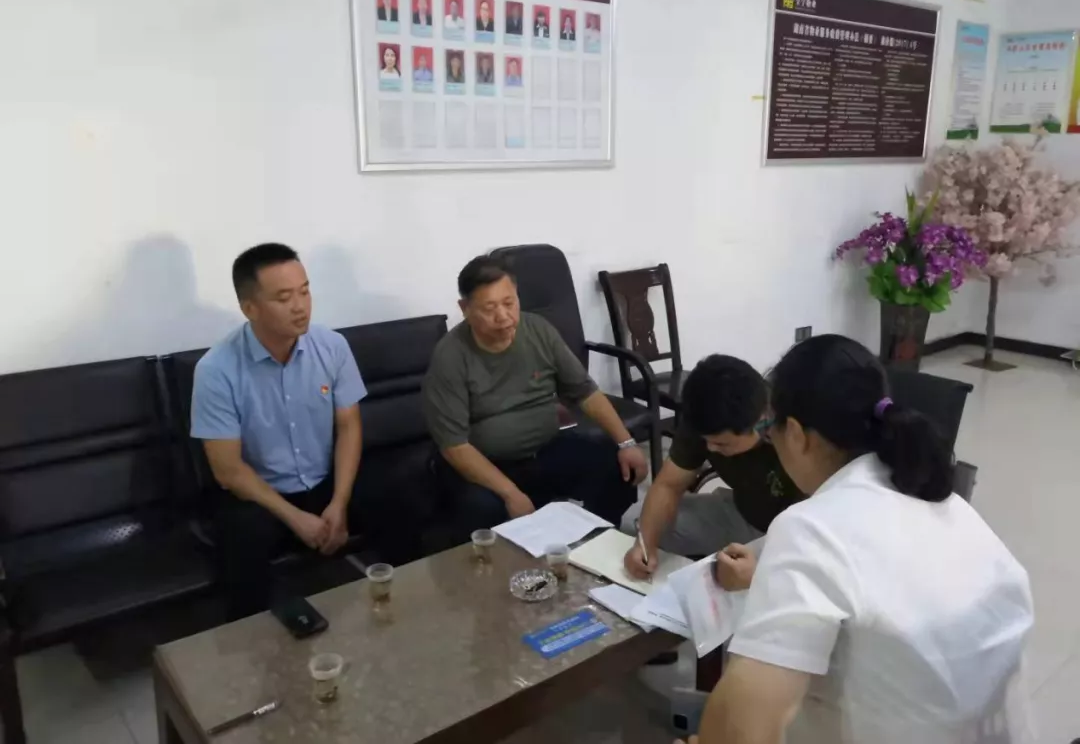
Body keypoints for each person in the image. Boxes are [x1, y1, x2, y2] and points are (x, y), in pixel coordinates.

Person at [690, 335, 1034, 744]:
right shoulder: (944, 501)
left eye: (771, 429)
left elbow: (745, 724)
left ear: (796, 433)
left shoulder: (810, 528)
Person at [191, 244, 374, 620]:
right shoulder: (216, 370)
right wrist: (295, 517)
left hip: (323, 480)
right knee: (242, 536)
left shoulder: (332, 346)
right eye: (283, 297)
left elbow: (349, 425)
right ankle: (252, 641)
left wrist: (339, 502)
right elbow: (228, 471)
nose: (300, 306)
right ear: (250, 308)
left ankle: (403, 607)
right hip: (261, 494)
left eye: (305, 292)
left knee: (397, 496)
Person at [423, 255, 648, 540]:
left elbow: (584, 391)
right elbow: (454, 445)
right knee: (484, 509)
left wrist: (626, 442)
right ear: (465, 309)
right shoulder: (450, 356)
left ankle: (596, 543)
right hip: (485, 466)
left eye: (509, 303)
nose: (503, 316)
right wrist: (510, 493)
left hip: (544, 450)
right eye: (489, 308)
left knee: (612, 464)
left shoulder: (538, 331)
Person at [624, 355, 803, 579]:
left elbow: (820, 528)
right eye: (707, 441)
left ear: (760, 423)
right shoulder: (706, 416)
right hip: (741, 512)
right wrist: (645, 546)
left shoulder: (798, 435)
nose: (710, 449)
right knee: (635, 522)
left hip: (791, 536)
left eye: (721, 444)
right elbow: (668, 485)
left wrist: (759, 573)